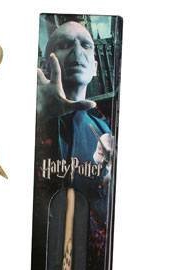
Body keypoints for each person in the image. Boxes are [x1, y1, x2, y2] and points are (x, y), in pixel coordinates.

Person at [36, 21, 113, 176]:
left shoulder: (104, 132)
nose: (77, 51)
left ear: (95, 68)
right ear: (44, 66)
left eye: (86, 45)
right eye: (64, 45)